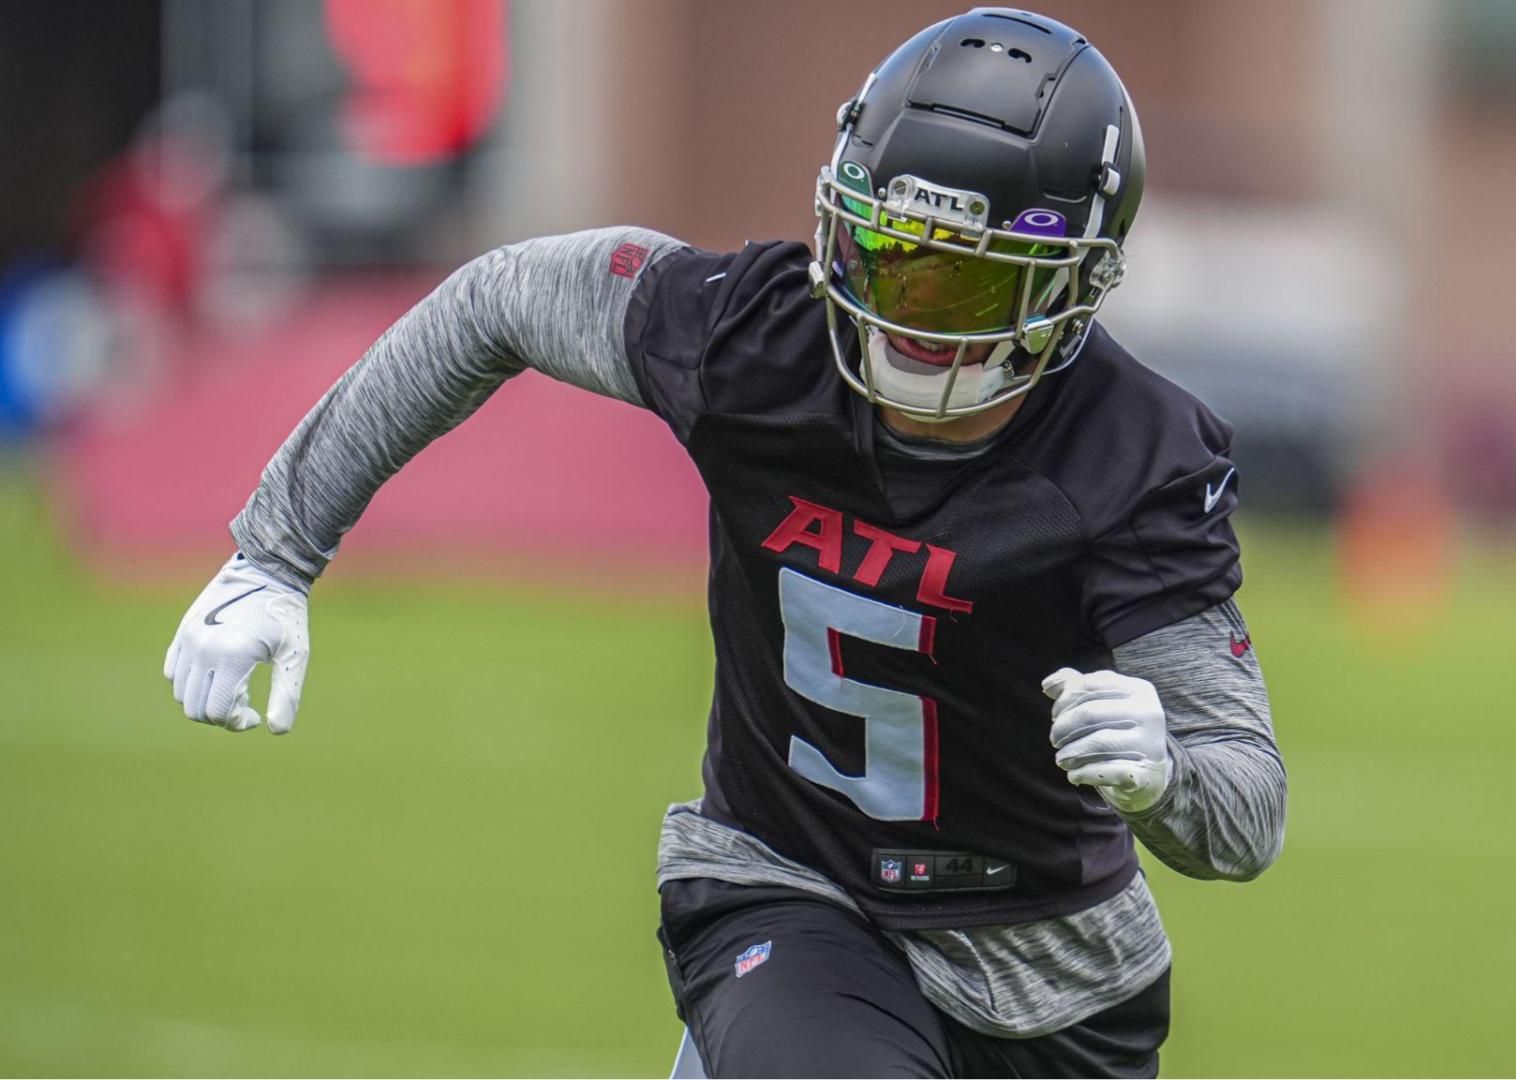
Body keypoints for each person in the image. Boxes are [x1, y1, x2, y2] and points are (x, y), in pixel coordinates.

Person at [162, 9, 1286, 1077]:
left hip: (1057, 972)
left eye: (966, 280)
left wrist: (1167, 779)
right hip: (790, 888)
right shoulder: (753, 339)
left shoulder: (1133, 456)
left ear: (1078, 282)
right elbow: (497, 301)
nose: (908, 309)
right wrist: (277, 548)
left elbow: (1244, 817)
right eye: (890, 254)